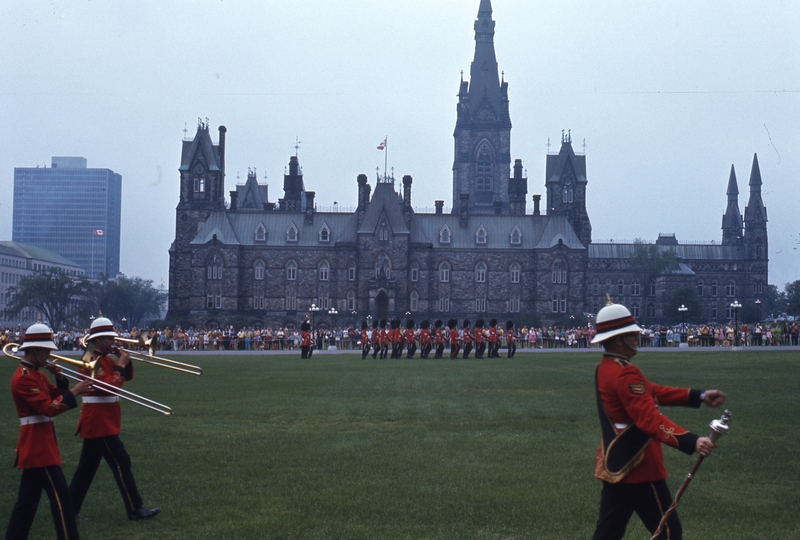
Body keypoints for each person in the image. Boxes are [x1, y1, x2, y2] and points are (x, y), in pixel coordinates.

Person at [590, 301, 727, 540]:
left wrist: (699, 396)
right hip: (639, 464)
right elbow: (649, 419)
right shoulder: (624, 372)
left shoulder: (607, 367)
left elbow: (651, 391)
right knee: (669, 531)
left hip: (617, 461)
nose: (638, 337)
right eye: (632, 334)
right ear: (619, 339)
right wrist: (691, 441)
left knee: (607, 533)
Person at [6, 323, 93, 540]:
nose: (49, 354)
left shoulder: (38, 374)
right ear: (34, 350)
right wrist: (76, 390)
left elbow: (56, 395)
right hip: (38, 448)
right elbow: (49, 408)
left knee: (26, 505)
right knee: (62, 501)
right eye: (45, 350)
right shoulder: (24, 377)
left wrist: (61, 378)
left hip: (41, 444)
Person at [68, 317, 161, 522]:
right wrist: (120, 363)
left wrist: (125, 362)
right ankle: (135, 509)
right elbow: (107, 386)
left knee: (87, 468)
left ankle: (69, 510)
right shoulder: (89, 358)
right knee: (121, 461)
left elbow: (125, 377)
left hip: (104, 419)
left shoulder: (107, 357)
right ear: (98, 340)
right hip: (98, 421)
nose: (114, 342)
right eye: (110, 339)